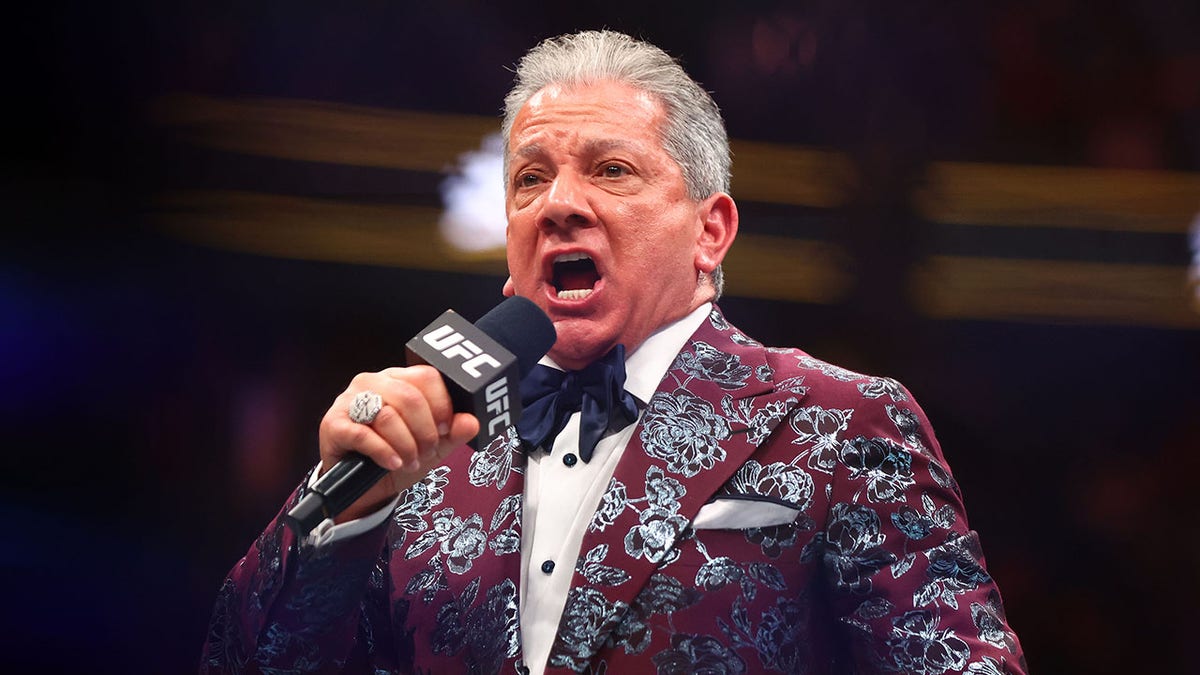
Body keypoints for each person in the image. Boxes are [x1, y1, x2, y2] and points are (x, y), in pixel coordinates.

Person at [202, 30, 1026, 674]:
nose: (559, 202)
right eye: (530, 178)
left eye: (612, 169)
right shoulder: (427, 443)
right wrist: (343, 509)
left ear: (710, 230)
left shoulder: (839, 424)